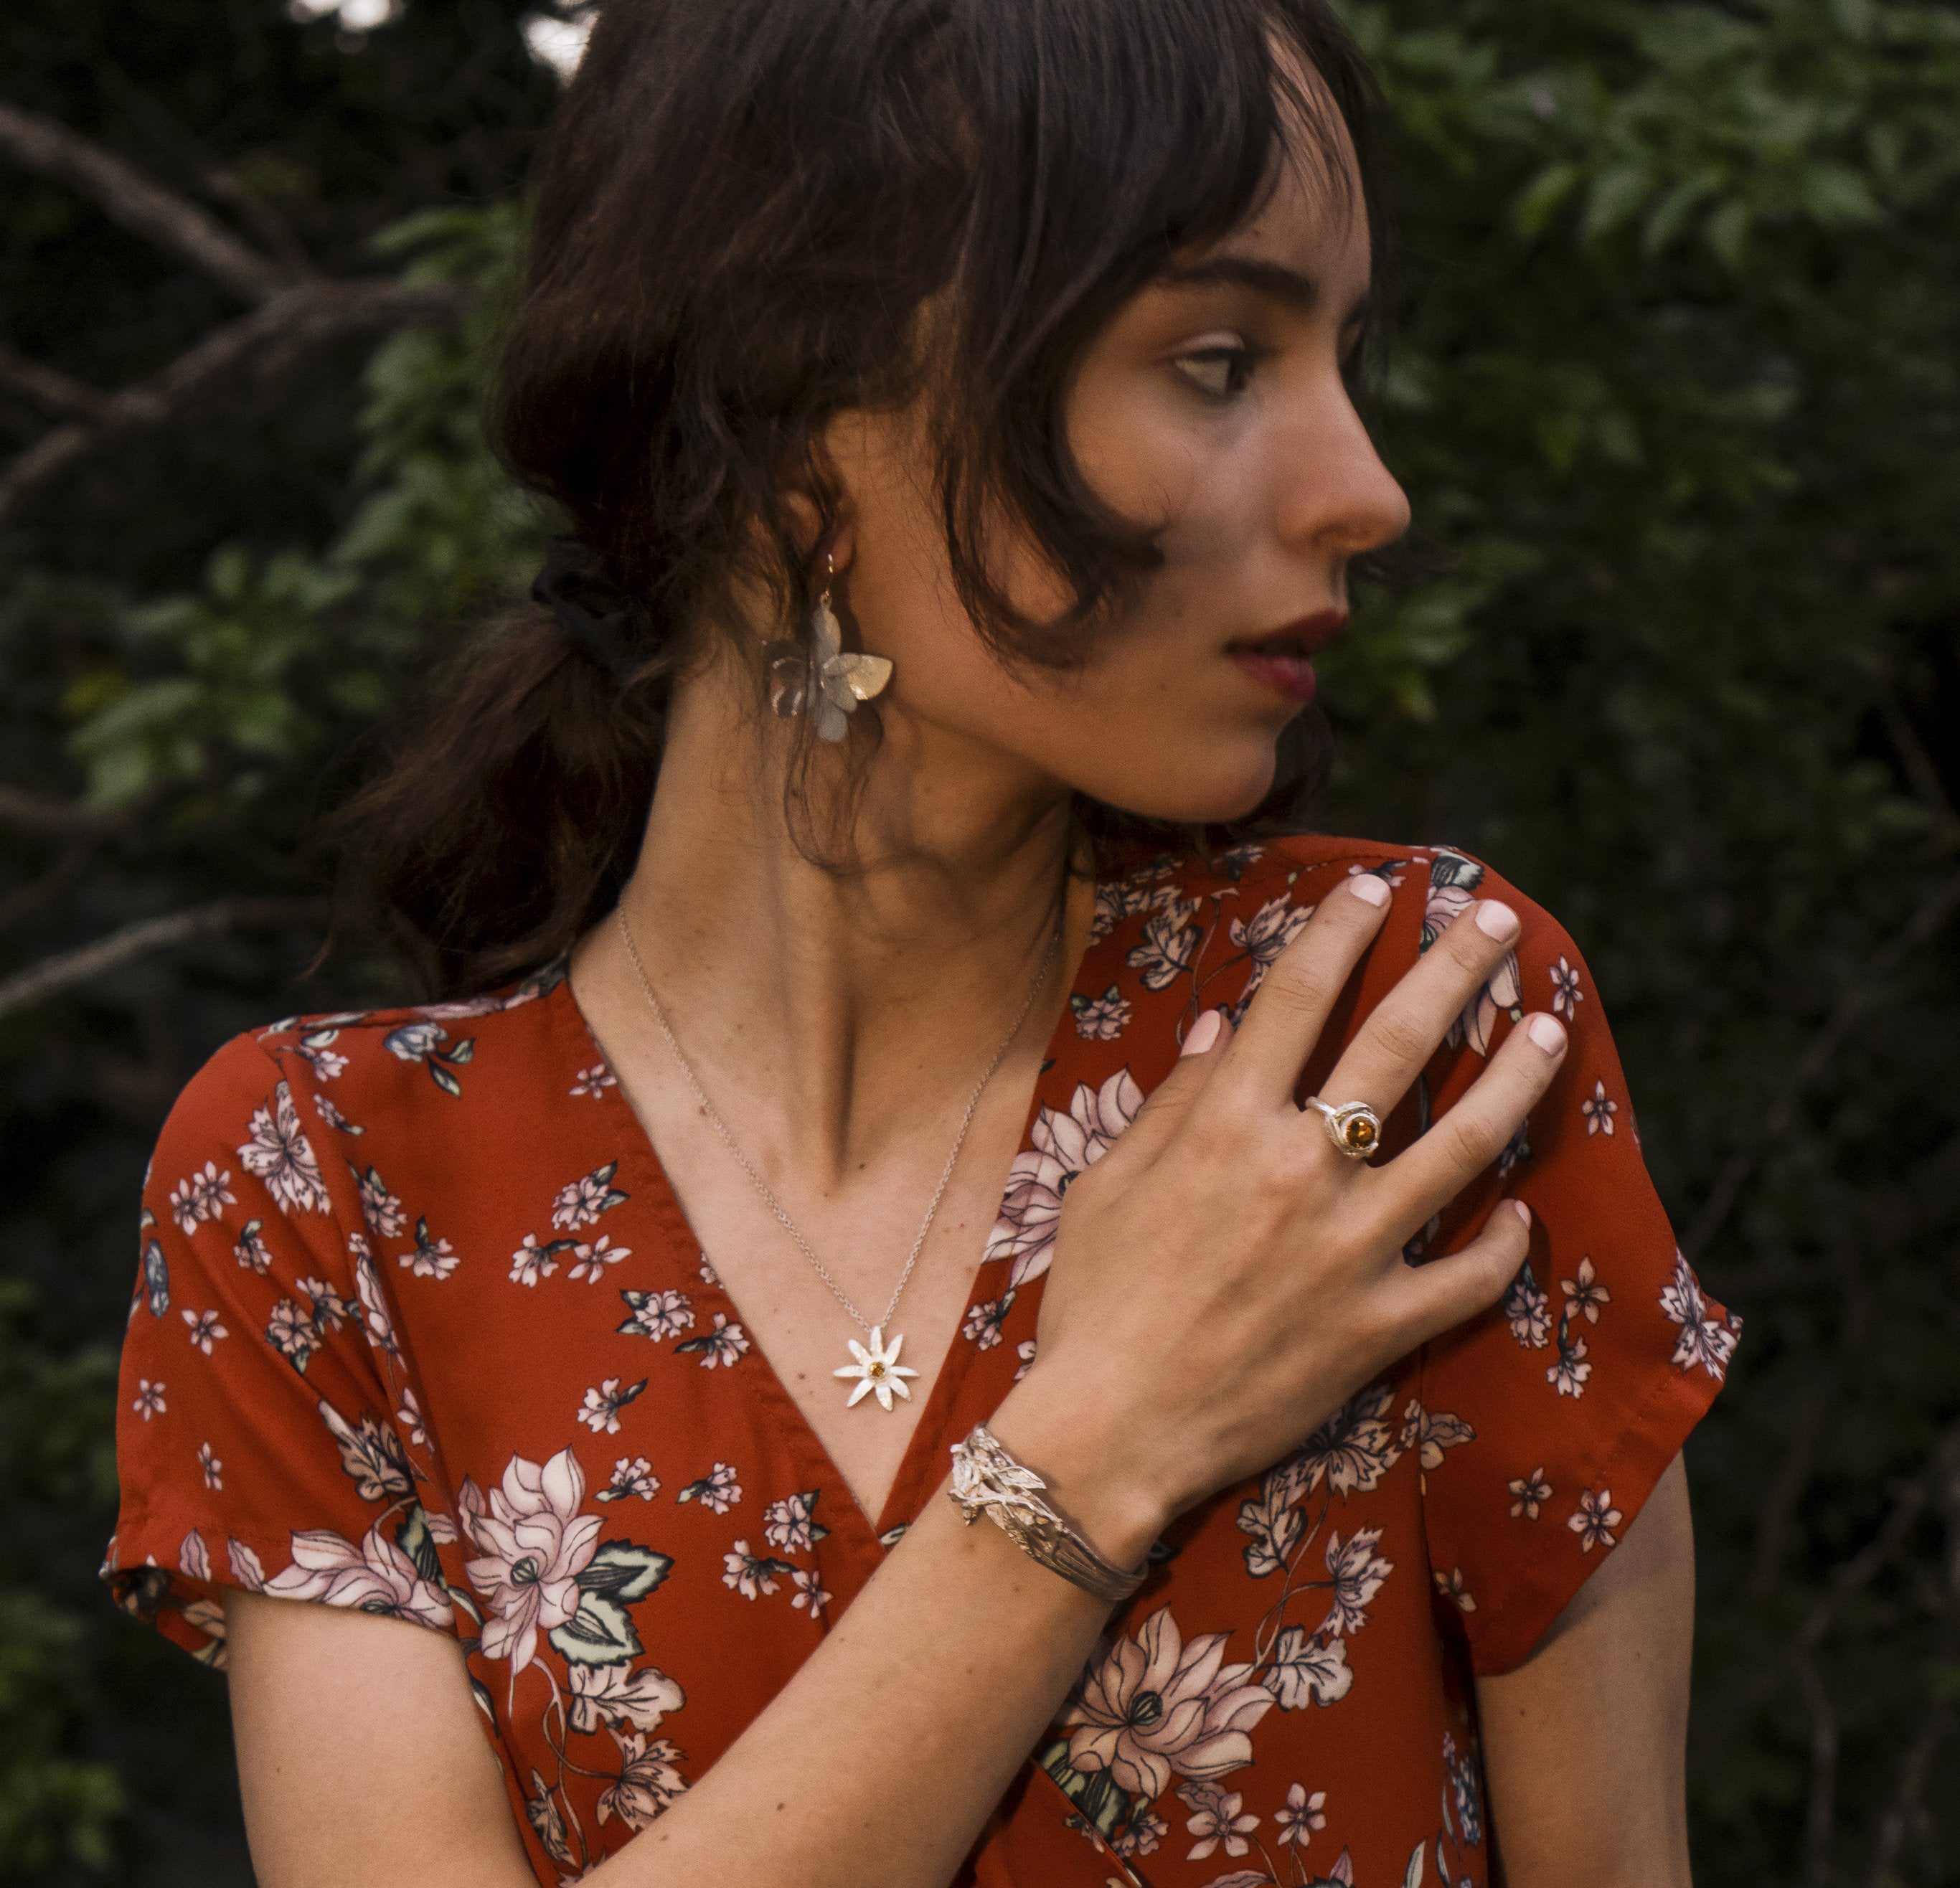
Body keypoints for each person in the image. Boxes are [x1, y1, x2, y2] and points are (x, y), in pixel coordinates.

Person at [103, 1, 1739, 1883]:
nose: (1365, 489)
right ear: (800, 433)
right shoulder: (327, 1194)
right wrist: (1095, 1446)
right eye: (1218, 360)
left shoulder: (1397, 1035)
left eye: (1339, 360)